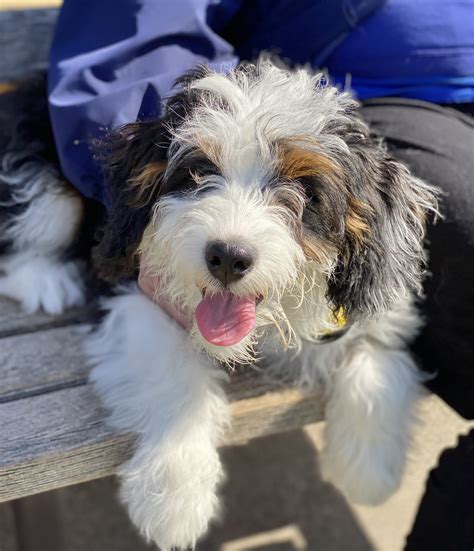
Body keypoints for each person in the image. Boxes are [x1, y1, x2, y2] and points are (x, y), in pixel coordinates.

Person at [48, 1, 474, 548]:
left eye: (292, 196)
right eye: (202, 175)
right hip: (396, 96)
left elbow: (379, 325)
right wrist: (175, 430)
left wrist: (373, 401)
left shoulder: (361, 213)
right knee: (49, 216)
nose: (234, 235)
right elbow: (134, 305)